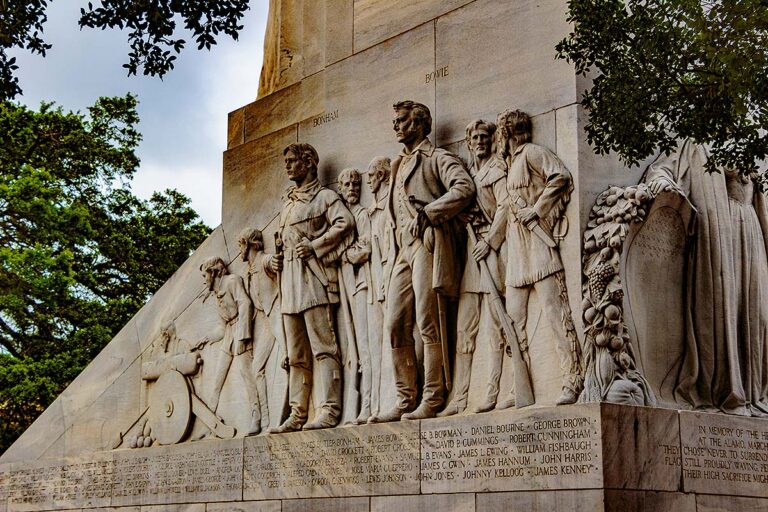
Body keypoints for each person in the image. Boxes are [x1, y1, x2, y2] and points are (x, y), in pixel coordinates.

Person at [644, 140, 768, 416]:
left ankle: (754, 391)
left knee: (758, 314)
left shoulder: (749, 145)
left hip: (750, 230)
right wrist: (663, 184)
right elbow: (661, 170)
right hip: (717, 234)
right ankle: (729, 391)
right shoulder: (696, 143)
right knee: (721, 309)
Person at [369, 100, 475, 422]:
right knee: (394, 325)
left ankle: (433, 396)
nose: (396, 126)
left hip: (427, 244)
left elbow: (464, 188)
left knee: (428, 321)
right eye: (395, 121)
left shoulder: (437, 157)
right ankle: (405, 399)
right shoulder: (398, 164)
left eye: (401, 121)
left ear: (418, 124)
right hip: (402, 250)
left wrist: (429, 213)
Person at [496, 109, 582, 406]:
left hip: (539, 245)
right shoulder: (508, 165)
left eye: (502, 131)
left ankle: (571, 378)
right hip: (517, 253)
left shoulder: (532, 153)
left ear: (507, 133)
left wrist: (538, 210)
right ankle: (517, 387)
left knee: (556, 316)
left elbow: (561, 176)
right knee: (513, 322)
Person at [269, 143, 355, 432]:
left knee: (323, 348)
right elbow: (281, 240)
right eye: (287, 162)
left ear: (308, 163)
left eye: (293, 161)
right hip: (290, 283)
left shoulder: (325, 197)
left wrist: (315, 245)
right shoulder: (288, 203)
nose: (289, 166)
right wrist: (275, 259)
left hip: (315, 280)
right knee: (296, 355)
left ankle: (330, 409)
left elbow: (345, 223)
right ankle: (298, 412)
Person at [439, 119, 509, 416]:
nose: (479, 141)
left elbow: (506, 207)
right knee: (465, 330)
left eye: (484, 137)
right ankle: (459, 398)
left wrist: (491, 241)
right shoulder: (467, 174)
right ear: (468, 143)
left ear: (492, 140)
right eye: (475, 138)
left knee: (495, 329)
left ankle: (493, 392)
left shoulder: (498, 170)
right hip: (471, 256)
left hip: (493, 255)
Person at [199, 256, 258, 430]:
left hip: (241, 330)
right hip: (229, 335)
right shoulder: (216, 294)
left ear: (213, 272)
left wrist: (243, 335)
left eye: (204, 276)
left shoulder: (232, 281)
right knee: (217, 379)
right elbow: (222, 327)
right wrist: (206, 338)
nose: (203, 281)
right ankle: (210, 424)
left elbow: (245, 303)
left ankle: (257, 415)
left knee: (247, 375)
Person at [237, 227, 286, 434]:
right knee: (257, 368)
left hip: (276, 311)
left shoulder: (264, 260)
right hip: (264, 318)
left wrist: (278, 259)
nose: (239, 249)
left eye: (241, 244)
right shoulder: (248, 270)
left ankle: (288, 411)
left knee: (289, 357)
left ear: (249, 244)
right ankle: (264, 420)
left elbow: (274, 262)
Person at [338, 168, 376, 424]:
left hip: (361, 286)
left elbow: (366, 247)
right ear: (340, 188)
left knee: (365, 348)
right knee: (350, 351)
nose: (352, 188)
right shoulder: (338, 218)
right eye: (347, 184)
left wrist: (346, 254)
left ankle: (368, 404)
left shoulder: (361, 214)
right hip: (344, 290)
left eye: (355, 183)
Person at [365, 156, 394, 416]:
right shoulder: (373, 211)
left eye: (372, 176)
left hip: (390, 279)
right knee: (378, 346)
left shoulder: (390, 206)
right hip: (376, 285)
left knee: (395, 337)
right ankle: (380, 404)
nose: (368, 181)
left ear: (383, 176)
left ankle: (395, 400)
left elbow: (391, 249)